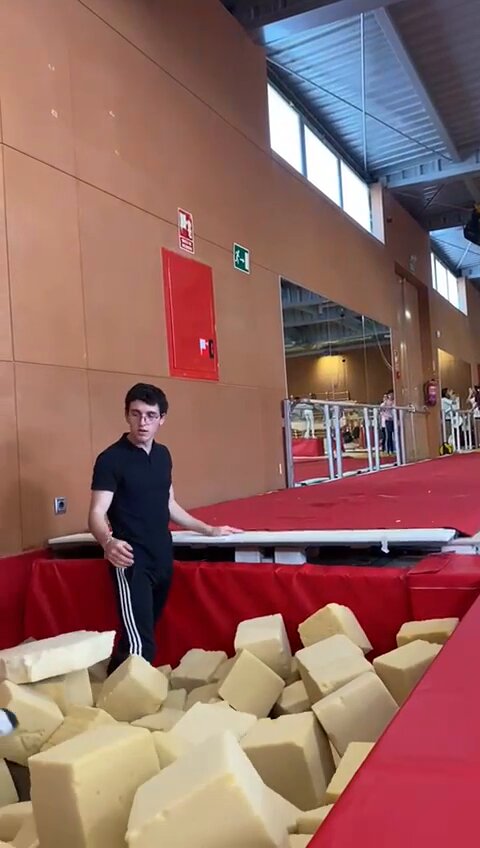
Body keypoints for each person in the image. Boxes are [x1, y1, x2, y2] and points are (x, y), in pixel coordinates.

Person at [88, 383, 241, 674]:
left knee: (139, 634)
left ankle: (113, 685)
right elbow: (96, 512)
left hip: (162, 555)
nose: (142, 422)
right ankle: (132, 699)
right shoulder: (111, 459)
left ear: (162, 419)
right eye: (136, 414)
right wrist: (108, 542)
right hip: (130, 559)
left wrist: (209, 530)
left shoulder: (163, 455)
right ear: (126, 415)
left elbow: (169, 504)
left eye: (150, 415)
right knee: (141, 644)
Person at [380, 390, 395, 455]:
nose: (392, 396)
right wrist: (387, 417)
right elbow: (382, 411)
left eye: (393, 394)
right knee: (389, 435)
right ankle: (389, 449)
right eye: (390, 394)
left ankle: (394, 449)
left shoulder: (395, 402)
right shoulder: (385, 403)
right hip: (388, 420)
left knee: (395, 435)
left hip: (394, 420)